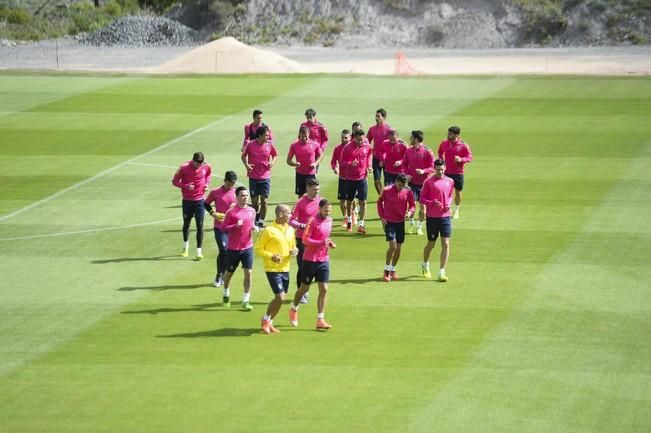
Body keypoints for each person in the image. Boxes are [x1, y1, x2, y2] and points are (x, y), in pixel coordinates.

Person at [288, 199, 336, 330]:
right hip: (310, 260)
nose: (328, 212)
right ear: (319, 209)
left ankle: (320, 319)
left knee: (324, 288)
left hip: (323, 260)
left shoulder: (329, 221)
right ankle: (293, 309)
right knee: (304, 289)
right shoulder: (312, 221)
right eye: (326, 210)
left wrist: (329, 243)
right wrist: (321, 243)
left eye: (329, 210)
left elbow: (325, 238)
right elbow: (305, 239)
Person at [254, 204, 299, 334]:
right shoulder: (268, 230)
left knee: (282, 298)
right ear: (280, 214)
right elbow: (258, 249)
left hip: (286, 268)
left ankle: (270, 322)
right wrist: (271, 256)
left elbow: (292, 246)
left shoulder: (290, 230)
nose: (290, 215)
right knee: (279, 297)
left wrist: (294, 251)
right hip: (272, 269)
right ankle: (265, 319)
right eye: (288, 213)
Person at [220, 186, 257, 310]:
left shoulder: (252, 211)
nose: (245, 198)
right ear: (237, 197)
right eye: (242, 195)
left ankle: (246, 300)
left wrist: (254, 227)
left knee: (249, 273)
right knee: (229, 273)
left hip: (248, 248)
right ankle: (226, 294)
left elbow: (251, 223)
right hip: (233, 249)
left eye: (246, 195)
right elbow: (223, 228)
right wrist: (234, 226)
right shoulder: (231, 212)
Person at [171, 151, 212, 260]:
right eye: (197, 163)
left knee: (200, 226)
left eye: (201, 163)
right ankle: (185, 246)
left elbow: (208, 175)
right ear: (193, 160)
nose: (199, 165)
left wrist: (207, 184)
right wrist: (185, 186)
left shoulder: (206, 166)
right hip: (187, 201)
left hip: (199, 201)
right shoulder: (183, 168)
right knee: (186, 224)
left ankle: (199, 251)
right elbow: (174, 181)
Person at [419, 159, 455, 282]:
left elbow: (450, 195)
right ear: (434, 169)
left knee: (445, 243)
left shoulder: (450, 181)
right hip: (432, 218)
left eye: (442, 169)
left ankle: (442, 272)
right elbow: (422, 198)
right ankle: (425, 264)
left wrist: (449, 204)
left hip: (445, 217)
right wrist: (432, 202)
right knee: (431, 244)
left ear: (445, 168)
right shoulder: (428, 182)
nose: (440, 171)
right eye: (438, 169)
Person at [289, 178, 322, 304]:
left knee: (314, 266)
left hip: (316, 239)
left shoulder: (320, 201)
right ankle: (302, 291)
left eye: (318, 190)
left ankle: (307, 288)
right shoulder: (300, 203)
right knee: (302, 266)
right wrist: (301, 226)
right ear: (307, 188)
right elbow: (291, 220)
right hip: (302, 239)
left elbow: (325, 216)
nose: (316, 192)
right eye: (314, 190)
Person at [377, 173, 415, 282]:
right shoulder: (387, 190)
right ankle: (386, 270)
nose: (400, 187)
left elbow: (412, 205)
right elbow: (379, 202)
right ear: (396, 182)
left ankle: (393, 269)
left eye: (403, 186)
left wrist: (410, 212)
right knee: (392, 246)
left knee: (398, 248)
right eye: (399, 185)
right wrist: (382, 216)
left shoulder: (408, 192)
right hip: (389, 222)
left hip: (400, 222)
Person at [204, 170, 238, 287]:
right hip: (219, 227)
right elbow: (206, 203)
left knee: (229, 252)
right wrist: (213, 213)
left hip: (233, 228)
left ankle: (224, 274)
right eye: (229, 184)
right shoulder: (215, 192)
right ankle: (219, 275)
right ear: (225, 181)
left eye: (232, 184)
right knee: (223, 250)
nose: (230, 186)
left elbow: (243, 207)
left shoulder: (237, 193)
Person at [241, 125, 278, 227]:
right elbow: (243, 156)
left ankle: (261, 221)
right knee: (254, 203)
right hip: (253, 177)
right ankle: (254, 219)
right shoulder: (250, 145)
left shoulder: (269, 145)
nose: (268, 137)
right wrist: (247, 166)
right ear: (260, 135)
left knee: (264, 201)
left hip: (265, 177)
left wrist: (272, 163)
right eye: (266, 135)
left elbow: (275, 155)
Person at [340, 129, 372, 234]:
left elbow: (369, 156)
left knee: (363, 202)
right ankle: (349, 221)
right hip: (350, 179)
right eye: (358, 140)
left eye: (362, 140)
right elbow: (341, 163)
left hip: (362, 178)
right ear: (354, 138)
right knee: (349, 201)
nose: (360, 142)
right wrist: (350, 164)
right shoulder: (347, 148)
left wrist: (369, 166)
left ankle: (361, 224)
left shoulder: (366, 146)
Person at [437, 126, 473, 219]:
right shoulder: (444, 143)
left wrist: (461, 159)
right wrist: (441, 161)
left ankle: (456, 209)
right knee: (446, 191)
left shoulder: (463, 145)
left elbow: (469, 157)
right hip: (446, 172)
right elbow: (440, 152)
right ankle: (447, 208)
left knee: (458, 191)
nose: (448, 135)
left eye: (450, 134)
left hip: (458, 173)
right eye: (448, 133)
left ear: (456, 135)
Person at [403, 130, 434, 236]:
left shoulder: (427, 151)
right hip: (412, 184)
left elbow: (432, 167)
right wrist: (407, 174)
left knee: (423, 207)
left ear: (416, 139)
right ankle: (411, 224)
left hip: (424, 184)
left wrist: (423, 171)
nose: (410, 139)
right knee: (411, 205)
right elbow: (404, 165)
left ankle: (419, 227)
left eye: (411, 137)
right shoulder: (408, 151)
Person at [286, 125, 323, 197]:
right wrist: (295, 164)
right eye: (302, 136)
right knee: (301, 196)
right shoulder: (294, 145)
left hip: (311, 174)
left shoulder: (314, 144)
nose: (304, 138)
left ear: (308, 134)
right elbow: (288, 160)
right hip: (300, 174)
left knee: (312, 194)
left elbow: (321, 155)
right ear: (299, 134)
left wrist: (315, 163)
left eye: (305, 136)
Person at [367, 108, 393, 195]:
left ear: (384, 117)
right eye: (376, 116)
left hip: (387, 159)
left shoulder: (389, 130)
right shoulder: (372, 129)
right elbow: (367, 142)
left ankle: (388, 197)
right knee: (376, 180)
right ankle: (382, 197)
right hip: (376, 158)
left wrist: (385, 158)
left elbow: (393, 144)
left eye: (378, 116)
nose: (376, 118)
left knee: (387, 180)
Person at [330, 129, 351, 227]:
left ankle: (353, 214)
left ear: (350, 138)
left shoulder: (353, 148)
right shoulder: (337, 148)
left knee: (352, 200)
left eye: (346, 138)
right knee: (342, 201)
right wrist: (335, 168)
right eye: (342, 138)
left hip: (352, 178)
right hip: (342, 178)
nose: (344, 139)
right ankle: (346, 218)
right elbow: (333, 161)